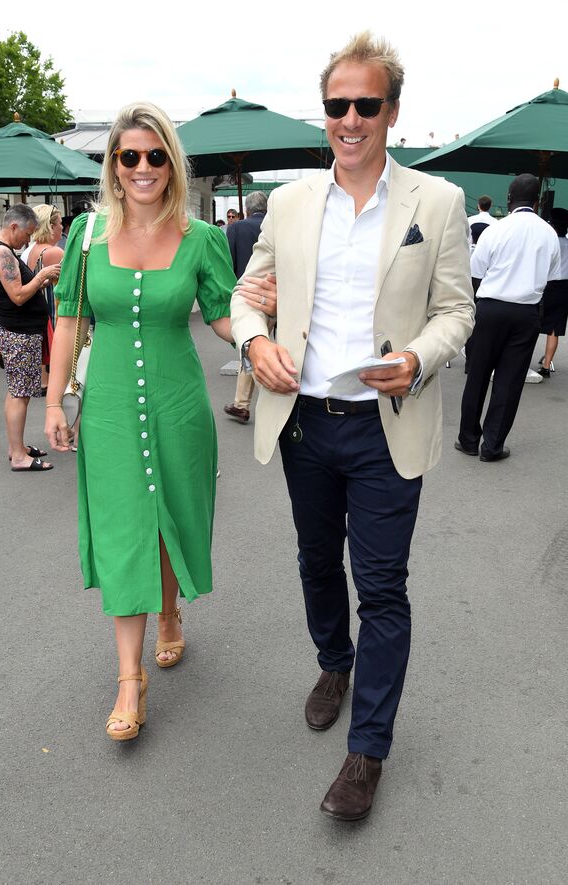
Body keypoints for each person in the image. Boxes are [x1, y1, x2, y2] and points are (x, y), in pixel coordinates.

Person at [231, 31, 474, 822]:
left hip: (385, 425)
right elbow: (245, 296)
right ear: (325, 113)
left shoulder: (437, 202)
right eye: (338, 105)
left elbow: (456, 311)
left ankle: (367, 750)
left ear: (392, 111)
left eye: (367, 104)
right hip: (304, 422)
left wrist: (418, 357)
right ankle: (334, 661)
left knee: (383, 586)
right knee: (314, 559)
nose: (351, 119)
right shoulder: (291, 204)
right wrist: (255, 343)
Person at [44, 101, 237, 743]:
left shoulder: (201, 238)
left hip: (179, 407)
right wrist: (54, 402)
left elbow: (222, 314)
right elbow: (69, 318)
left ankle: (170, 612)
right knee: (125, 530)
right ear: (113, 163)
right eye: (129, 155)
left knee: (169, 519)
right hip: (109, 411)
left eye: (156, 155)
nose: (142, 167)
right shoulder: (87, 234)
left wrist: (262, 336)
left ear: (172, 163)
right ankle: (130, 680)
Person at [456, 174, 561, 462]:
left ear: (509, 198)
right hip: (526, 312)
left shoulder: (496, 229)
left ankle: (468, 439)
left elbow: (476, 271)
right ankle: (492, 446)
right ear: (537, 202)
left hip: (490, 308)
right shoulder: (548, 233)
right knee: (509, 380)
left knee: (477, 375)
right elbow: (552, 276)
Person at [0, 205, 61, 471]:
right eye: (27, 234)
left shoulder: (2, 250)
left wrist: (41, 280)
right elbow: (18, 296)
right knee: (20, 394)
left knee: (18, 392)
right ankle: (18, 456)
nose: (28, 240)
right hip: (18, 332)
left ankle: (16, 447)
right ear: (14, 226)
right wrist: (41, 275)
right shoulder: (2, 252)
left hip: (19, 330)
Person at [224, 190, 269, 423]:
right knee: (266, 346)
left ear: (247, 209)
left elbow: (229, 262)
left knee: (251, 345)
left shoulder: (236, 228)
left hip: (246, 297)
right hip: (275, 294)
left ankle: (246, 404)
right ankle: (241, 403)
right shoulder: (275, 224)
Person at [22, 204, 65, 392]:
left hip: (40, 312)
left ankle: (46, 381)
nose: (62, 227)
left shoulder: (32, 250)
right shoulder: (54, 252)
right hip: (54, 312)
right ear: (51, 226)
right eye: (60, 223)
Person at [537, 207, 568, 377]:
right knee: (554, 330)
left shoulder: (549, 244)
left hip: (546, 287)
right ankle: (546, 366)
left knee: (533, 324)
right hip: (564, 289)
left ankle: (522, 360)